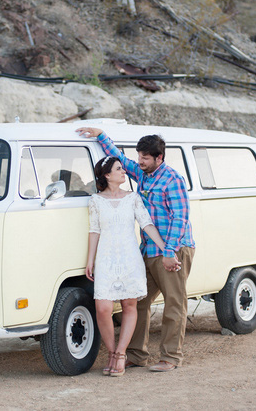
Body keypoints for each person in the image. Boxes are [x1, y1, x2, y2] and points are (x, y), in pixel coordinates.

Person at [77, 126, 195, 373]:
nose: (138, 162)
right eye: (139, 156)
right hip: (148, 250)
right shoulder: (143, 174)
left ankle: (170, 357)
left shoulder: (172, 179)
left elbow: (180, 217)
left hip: (173, 249)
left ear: (159, 158)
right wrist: (101, 136)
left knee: (174, 302)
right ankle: (136, 354)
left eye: (145, 158)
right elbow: (120, 161)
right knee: (139, 302)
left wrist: (169, 251)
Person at [86, 156, 166, 377]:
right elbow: (94, 230)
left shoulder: (133, 198)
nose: (124, 172)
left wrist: (165, 248)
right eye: (119, 169)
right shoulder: (96, 200)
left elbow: (146, 223)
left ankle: (120, 355)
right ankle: (112, 352)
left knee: (130, 305)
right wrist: (90, 260)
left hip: (129, 258)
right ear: (107, 175)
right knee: (103, 309)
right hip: (106, 259)